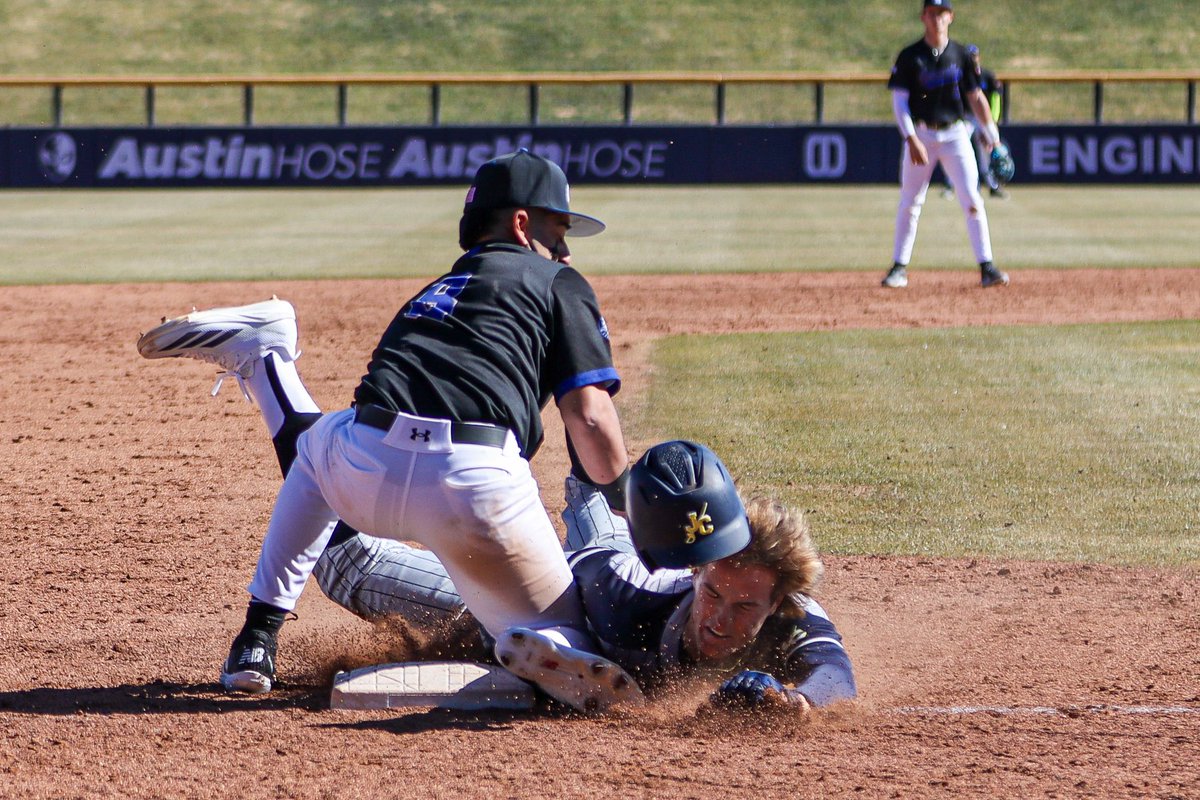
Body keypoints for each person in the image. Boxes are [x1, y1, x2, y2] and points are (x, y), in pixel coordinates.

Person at [139, 305, 857, 710]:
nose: (722, 619)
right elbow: (595, 566)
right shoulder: (637, 594)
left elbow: (834, 675)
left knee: (596, 496)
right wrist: (571, 652)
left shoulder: (788, 618)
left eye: (744, 609)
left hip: (607, 558)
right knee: (347, 564)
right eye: (715, 594)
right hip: (567, 586)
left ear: (777, 607)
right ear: (697, 576)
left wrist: (797, 704)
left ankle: (591, 462)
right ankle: (270, 363)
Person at [138, 149, 644, 713]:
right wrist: (625, 502)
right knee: (578, 632)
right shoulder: (557, 281)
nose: (566, 248)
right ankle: (546, 642)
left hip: (364, 462)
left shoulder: (434, 293)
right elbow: (590, 419)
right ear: (522, 224)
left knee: (310, 454)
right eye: (559, 228)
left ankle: (256, 640)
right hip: (477, 489)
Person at [882, 0, 1009, 290]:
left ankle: (987, 267)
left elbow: (977, 98)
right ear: (923, 17)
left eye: (942, 13)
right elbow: (899, 102)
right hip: (922, 135)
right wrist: (911, 138)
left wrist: (993, 138)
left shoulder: (961, 54)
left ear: (950, 17)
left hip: (955, 135)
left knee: (972, 199)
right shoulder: (910, 56)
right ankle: (898, 268)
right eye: (931, 13)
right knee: (910, 202)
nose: (937, 18)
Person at [965, 44, 1009, 199]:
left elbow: (995, 100)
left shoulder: (986, 75)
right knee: (958, 146)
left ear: (978, 57)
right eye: (970, 56)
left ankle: (993, 185)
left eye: (974, 55)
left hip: (983, 117)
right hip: (965, 117)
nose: (972, 58)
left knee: (987, 150)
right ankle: (951, 185)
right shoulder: (960, 75)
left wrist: (992, 122)